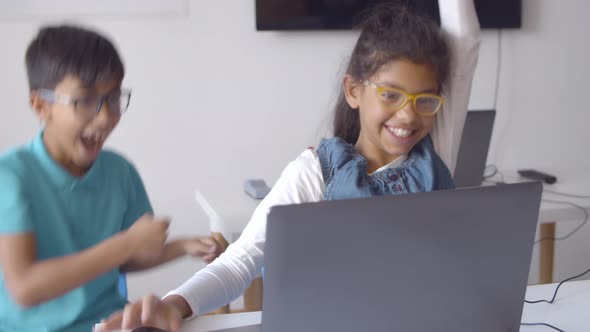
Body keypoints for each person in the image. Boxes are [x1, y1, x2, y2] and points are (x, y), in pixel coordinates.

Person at [100, 0, 481, 330]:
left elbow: (465, 38)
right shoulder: (315, 173)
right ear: (354, 90)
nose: (408, 114)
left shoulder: (435, 151)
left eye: (424, 100)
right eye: (390, 94)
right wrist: (175, 304)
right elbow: (240, 261)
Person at [0, 25, 221, 332]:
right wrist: (126, 243)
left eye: (114, 98)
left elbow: (128, 257)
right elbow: (24, 288)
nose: (105, 117)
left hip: (111, 323)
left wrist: (181, 247)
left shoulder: (119, 172)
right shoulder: (11, 176)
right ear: (40, 105)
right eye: (85, 101)